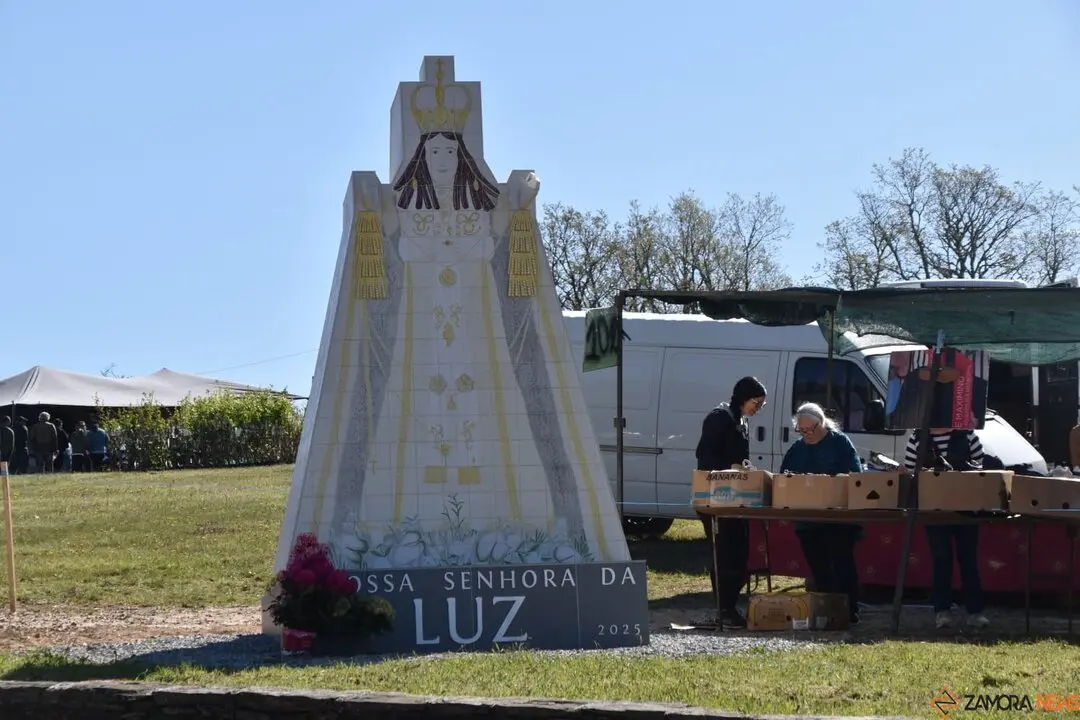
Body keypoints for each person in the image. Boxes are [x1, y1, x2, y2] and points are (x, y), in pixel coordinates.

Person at [694, 375, 768, 629]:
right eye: (755, 403)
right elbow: (704, 455)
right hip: (715, 499)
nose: (757, 409)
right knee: (724, 555)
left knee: (740, 554)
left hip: (737, 499)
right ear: (743, 397)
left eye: (761, 405)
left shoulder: (741, 421)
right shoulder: (719, 417)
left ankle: (730, 604)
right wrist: (730, 468)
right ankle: (723, 608)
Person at [781, 402, 864, 624]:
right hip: (807, 521)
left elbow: (855, 475)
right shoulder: (797, 449)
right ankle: (829, 611)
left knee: (842, 564)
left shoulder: (840, 443)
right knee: (819, 568)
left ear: (822, 423)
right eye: (802, 430)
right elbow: (784, 477)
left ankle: (849, 610)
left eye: (811, 429)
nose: (807, 434)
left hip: (837, 519)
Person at [904, 428, 990, 629]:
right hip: (934, 510)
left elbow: (983, 466)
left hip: (966, 509)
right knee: (941, 560)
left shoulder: (967, 435)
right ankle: (942, 611)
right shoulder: (917, 438)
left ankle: (975, 612)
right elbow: (910, 474)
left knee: (968, 560)